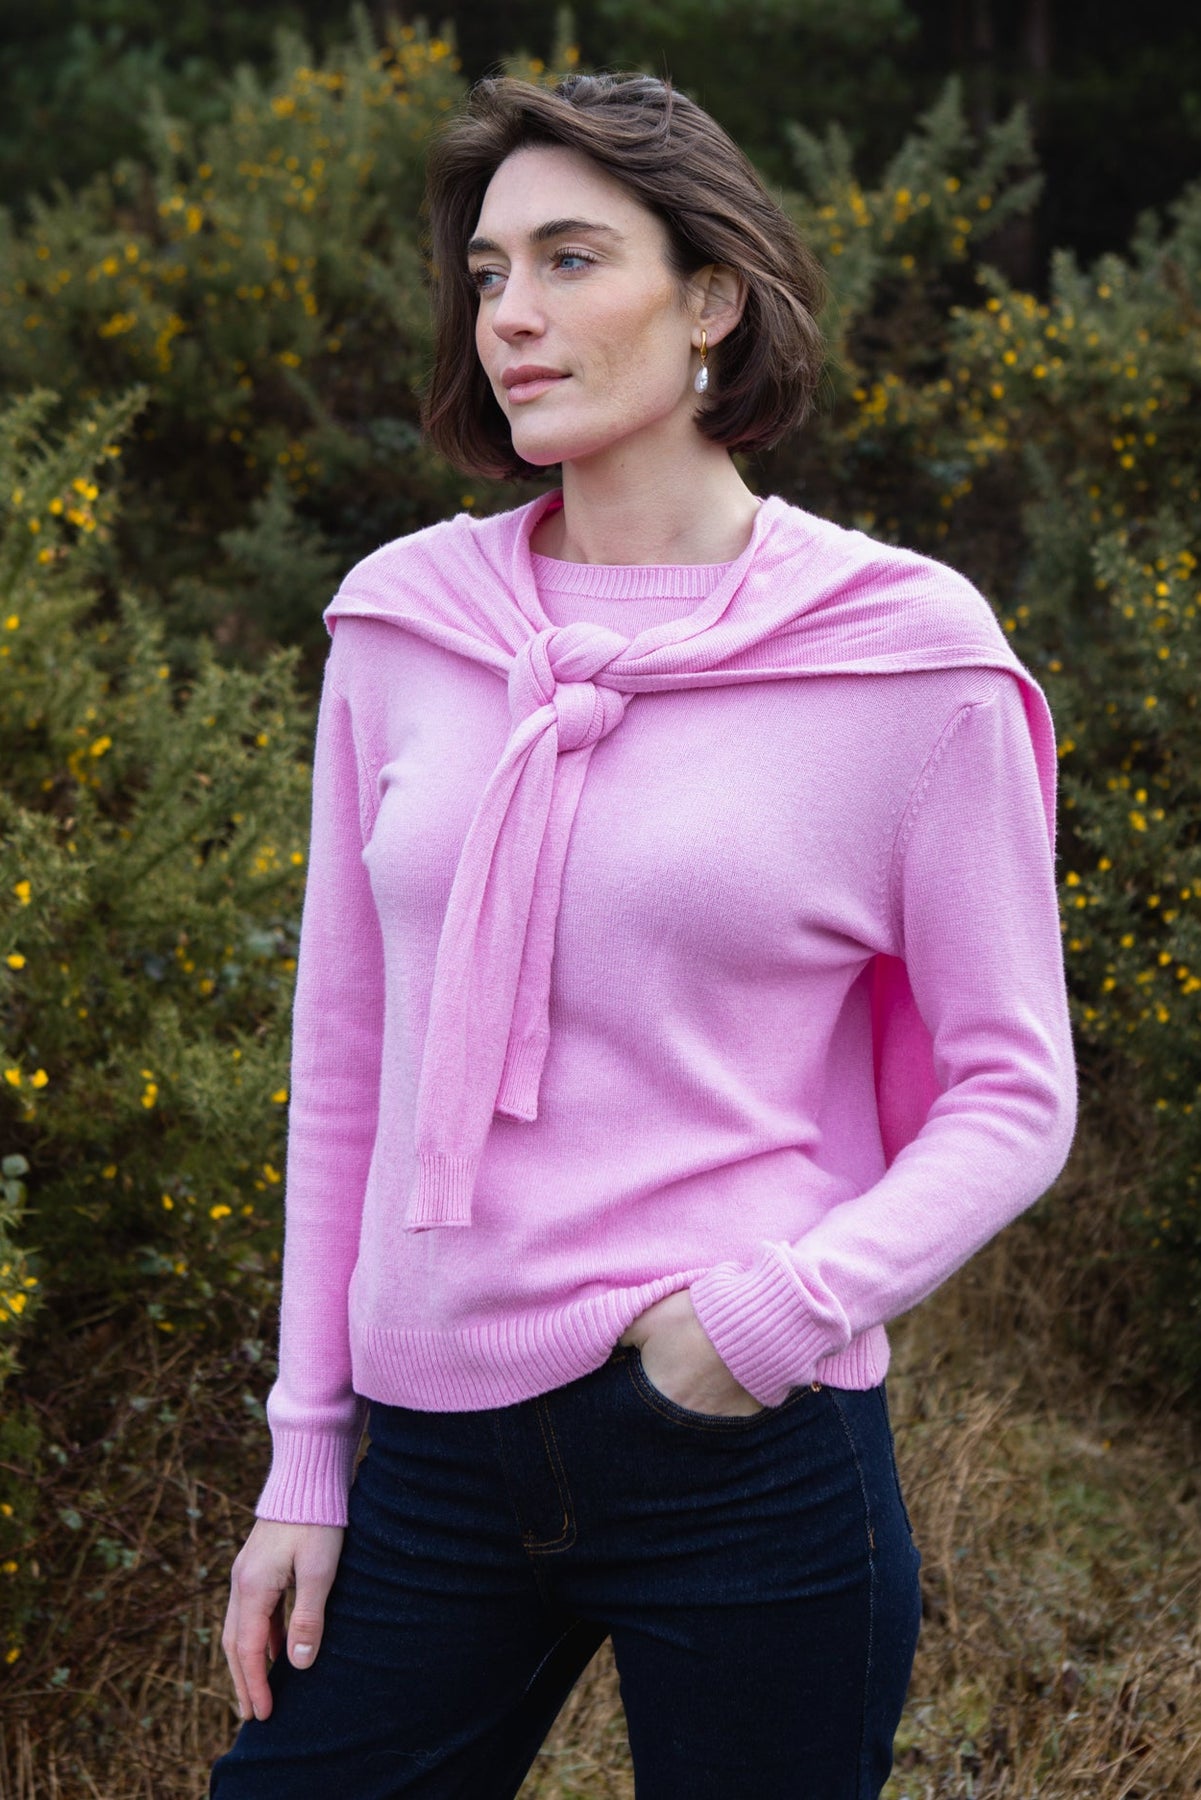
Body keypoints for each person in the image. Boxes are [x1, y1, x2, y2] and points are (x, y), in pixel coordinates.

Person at [211, 72, 1076, 1800]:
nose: (509, 317)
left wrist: (761, 1321)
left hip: (744, 1441)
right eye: (485, 274)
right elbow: (346, 1064)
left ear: (710, 300)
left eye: (569, 259)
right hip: (430, 1447)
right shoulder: (403, 625)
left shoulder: (905, 653)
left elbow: (1013, 1091)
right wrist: (307, 1457)